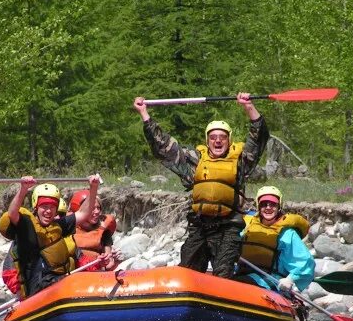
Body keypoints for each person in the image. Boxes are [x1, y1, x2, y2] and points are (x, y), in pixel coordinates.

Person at [133, 92, 269, 278]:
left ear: (229, 140)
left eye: (222, 137)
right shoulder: (196, 162)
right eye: (213, 137)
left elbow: (258, 138)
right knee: (187, 271)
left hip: (227, 227)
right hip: (200, 225)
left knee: (222, 273)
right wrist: (144, 114)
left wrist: (249, 107)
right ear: (207, 140)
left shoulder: (241, 162)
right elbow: (163, 147)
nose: (218, 141)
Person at [0, 174, 101, 298]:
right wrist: (23, 189)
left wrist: (93, 187)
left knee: (76, 282)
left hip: (59, 283)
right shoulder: (26, 226)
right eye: (44, 207)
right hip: (37, 289)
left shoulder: (57, 226)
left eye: (52, 207)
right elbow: (13, 213)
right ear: (36, 207)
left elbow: (84, 213)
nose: (48, 211)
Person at [238, 185, 315, 294]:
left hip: (270, 280)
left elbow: (305, 262)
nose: (268, 208)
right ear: (258, 206)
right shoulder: (247, 227)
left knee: (241, 282)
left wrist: (290, 279)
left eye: (273, 204)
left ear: (279, 206)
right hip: (243, 275)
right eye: (264, 204)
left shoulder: (287, 234)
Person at [68, 190, 120, 271]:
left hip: (96, 274)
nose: (97, 212)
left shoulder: (104, 231)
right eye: (92, 208)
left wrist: (114, 260)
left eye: (98, 208)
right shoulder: (67, 229)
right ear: (81, 210)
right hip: (75, 275)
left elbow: (109, 266)